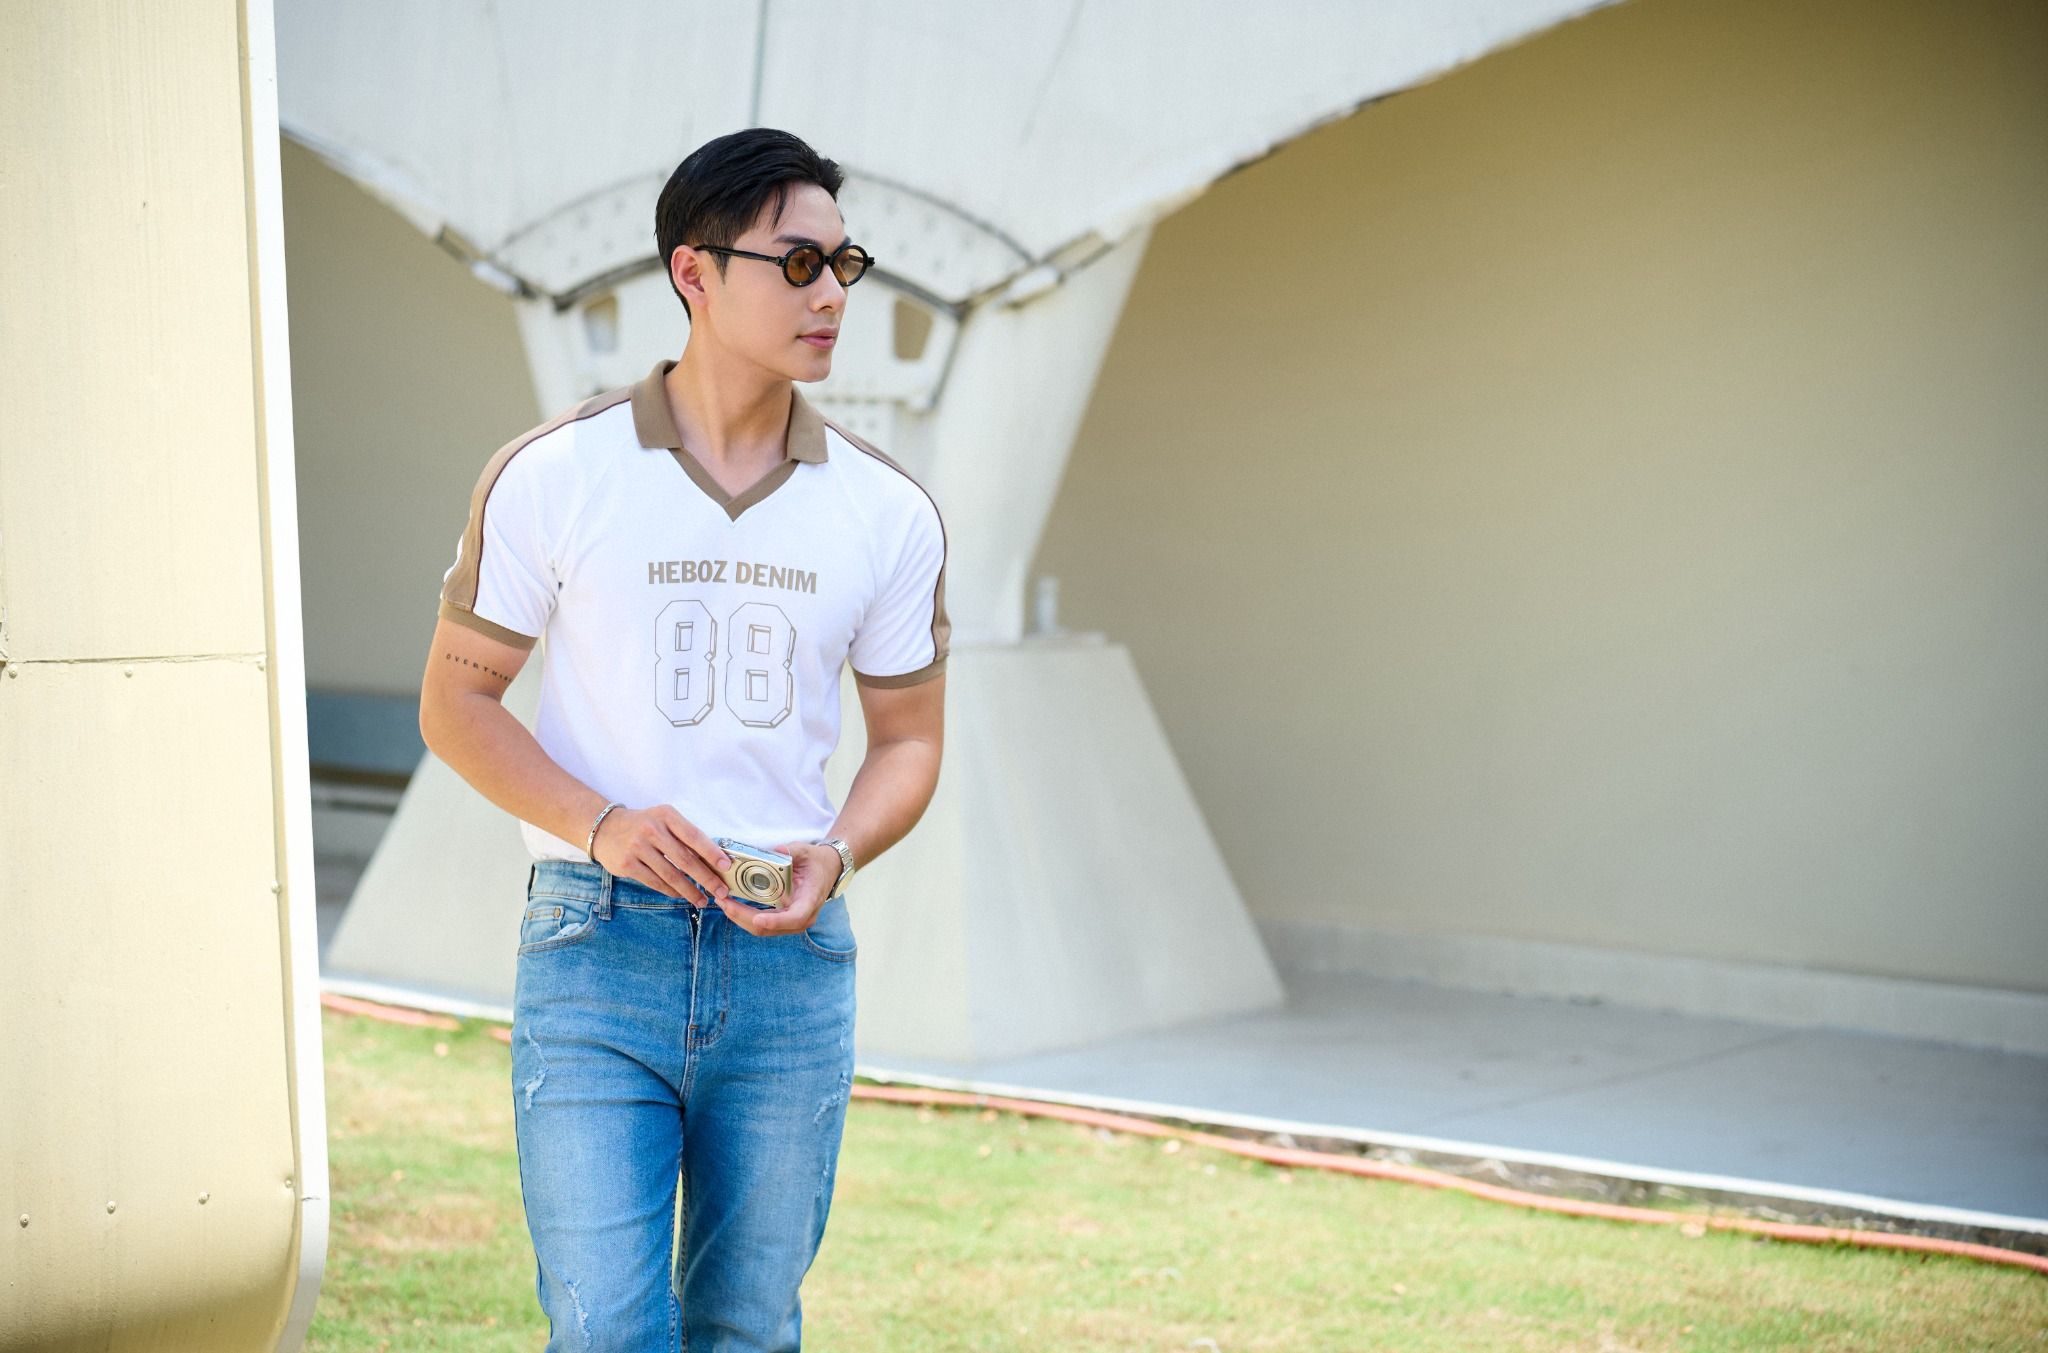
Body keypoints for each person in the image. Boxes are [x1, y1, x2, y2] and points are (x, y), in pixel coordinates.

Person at [418, 126, 949, 1351]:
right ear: (692, 273)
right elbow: (458, 704)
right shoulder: (554, 472)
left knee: (746, 1328)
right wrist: (600, 825)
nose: (831, 294)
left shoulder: (887, 510)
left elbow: (908, 743)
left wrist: (837, 853)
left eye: (843, 265)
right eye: (796, 263)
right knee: (607, 1329)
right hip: (595, 943)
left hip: (787, 965)